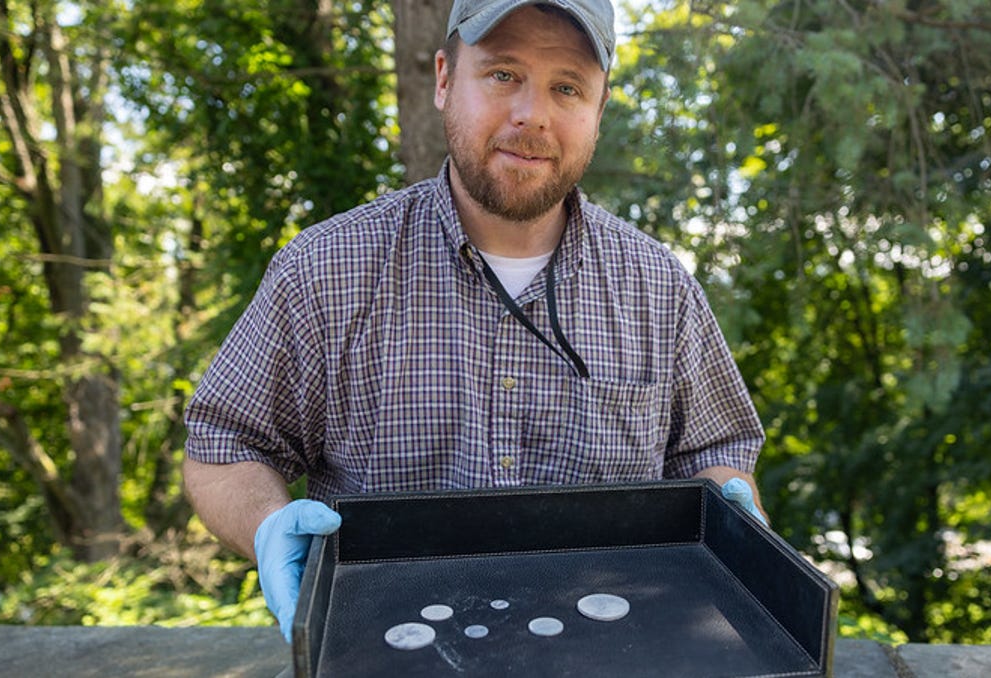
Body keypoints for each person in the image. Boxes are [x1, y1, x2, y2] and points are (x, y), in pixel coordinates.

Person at [182, 0, 768, 643]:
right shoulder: (322, 271)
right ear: (443, 79)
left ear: (598, 111)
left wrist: (737, 514)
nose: (531, 115)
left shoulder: (662, 289)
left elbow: (715, 455)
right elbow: (223, 449)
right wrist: (269, 524)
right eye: (502, 74)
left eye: (566, 87)